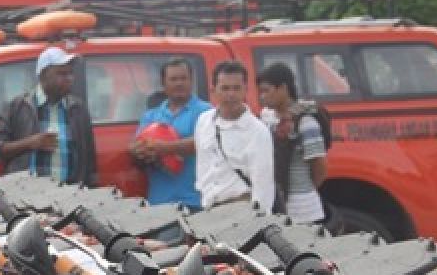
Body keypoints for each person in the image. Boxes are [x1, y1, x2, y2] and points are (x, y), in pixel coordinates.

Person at [0, 46, 97, 185]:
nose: (69, 79)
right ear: (43, 76)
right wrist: (30, 143)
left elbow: (90, 161)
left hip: (69, 199)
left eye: (70, 73)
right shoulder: (18, 107)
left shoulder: (78, 109)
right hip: (27, 198)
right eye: (62, 74)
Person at [129, 57, 212, 208]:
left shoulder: (206, 112)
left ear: (191, 81)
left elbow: (205, 141)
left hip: (195, 202)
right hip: (159, 202)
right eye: (173, 79)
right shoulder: (151, 115)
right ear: (163, 83)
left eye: (183, 78)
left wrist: (164, 148)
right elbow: (138, 146)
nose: (179, 83)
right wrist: (138, 150)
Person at [194, 60, 275, 211]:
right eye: (224, 88)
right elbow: (202, 165)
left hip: (242, 210)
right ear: (214, 90)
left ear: (245, 90)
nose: (230, 94)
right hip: (209, 210)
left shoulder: (258, 131)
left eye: (236, 88)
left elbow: (263, 185)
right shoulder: (203, 121)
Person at [257, 62, 329, 224]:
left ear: (283, 88)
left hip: (304, 209)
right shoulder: (266, 118)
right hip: (275, 206)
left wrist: (304, 189)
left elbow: (320, 167)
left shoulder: (306, 122)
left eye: (266, 91)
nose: (262, 96)